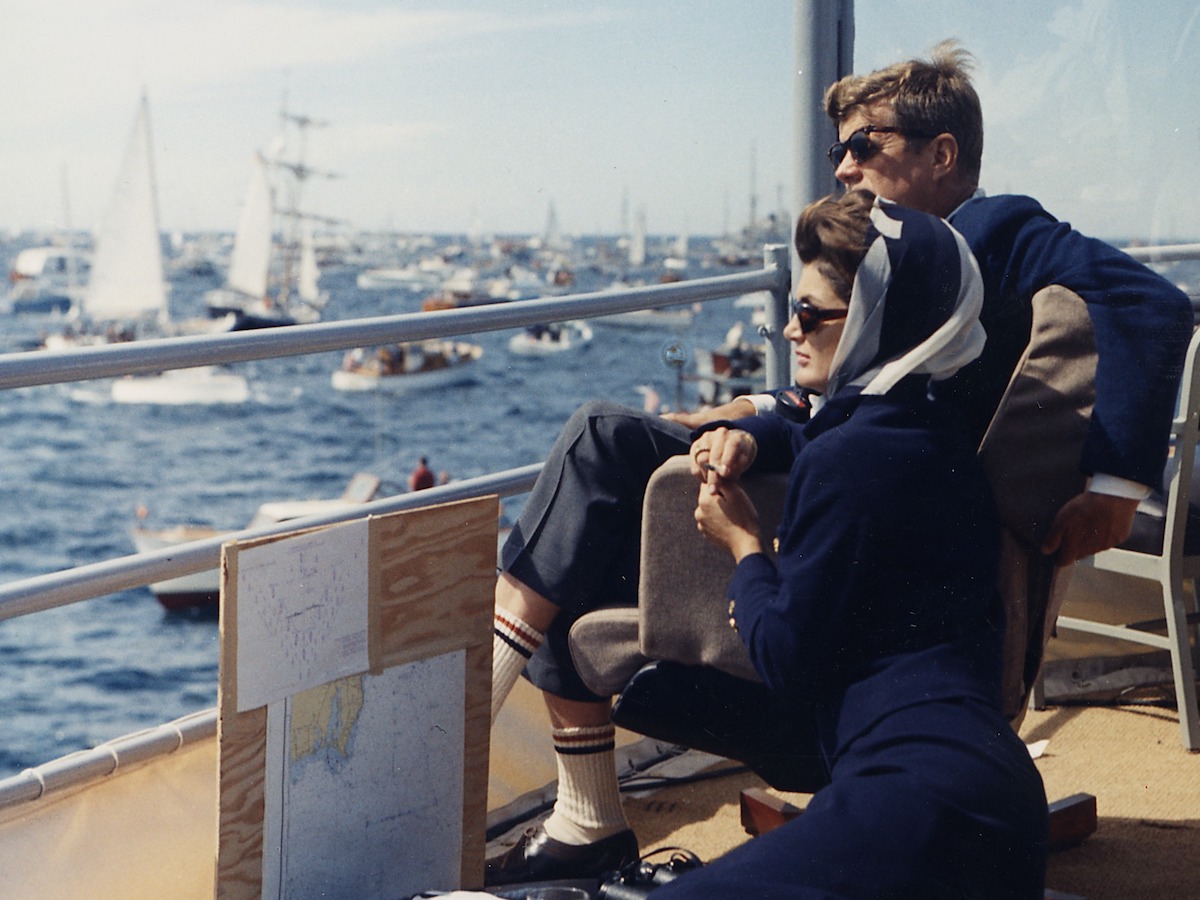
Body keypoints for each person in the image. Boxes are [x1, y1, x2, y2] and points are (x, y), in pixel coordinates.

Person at [483, 42, 1191, 886]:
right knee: (595, 513)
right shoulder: (890, 260)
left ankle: (487, 755)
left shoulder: (988, 232)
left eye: (866, 145)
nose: (845, 166)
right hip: (854, 472)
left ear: (943, 154)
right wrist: (753, 417)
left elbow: (1150, 300)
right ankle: (583, 814)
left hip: (873, 505)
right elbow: (859, 390)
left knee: (602, 444)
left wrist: (1115, 490)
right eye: (837, 150)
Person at [648, 189, 1047, 897]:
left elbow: (782, 654)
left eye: (809, 313)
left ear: (871, 319)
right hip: (987, 793)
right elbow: (819, 433)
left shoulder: (847, 460)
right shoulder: (938, 433)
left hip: (917, 802)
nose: (790, 331)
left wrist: (743, 546)